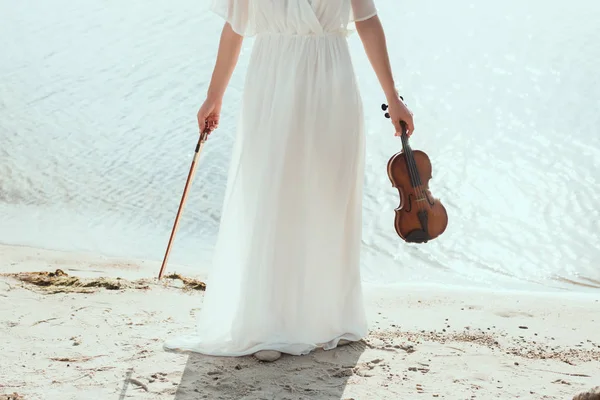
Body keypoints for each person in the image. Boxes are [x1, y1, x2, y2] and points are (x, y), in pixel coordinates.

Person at [163, 0, 414, 362]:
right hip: (274, 78)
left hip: (333, 79)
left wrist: (393, 98)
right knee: (273, 196)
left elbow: (368, 21)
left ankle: (329, 316)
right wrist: (214, 96)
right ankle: (268, 323)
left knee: (329, 197)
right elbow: (235, 27)